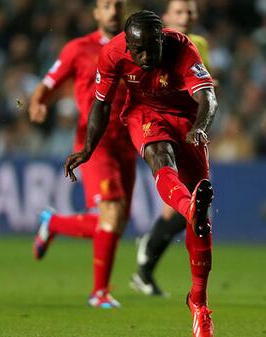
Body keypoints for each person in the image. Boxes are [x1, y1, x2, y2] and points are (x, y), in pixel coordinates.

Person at [64, 10, 217, 337]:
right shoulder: (112, 53)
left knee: (201, 222)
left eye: (152, 48)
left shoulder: (183, 47)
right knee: (158, 156)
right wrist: (88, 149)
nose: (146, 56)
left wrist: (200, 129)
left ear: (162, 38)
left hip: (187, 119)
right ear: (128, 47)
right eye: (139, 50)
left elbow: (208, 98)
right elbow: (101, 104)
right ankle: (188, 205)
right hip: (143, 113)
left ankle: (199, 303)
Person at [29, 0, 136, 308]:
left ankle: (53, 223)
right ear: (96, 13)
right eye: (106, 5)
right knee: (111, 215)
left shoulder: (135, 45)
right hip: (94, 142)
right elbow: (49, 83)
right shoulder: (78, 48)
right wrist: (38, 102)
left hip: (127, 141)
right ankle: (99, 292)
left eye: (117, 5)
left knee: (116, 222)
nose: (113, 10)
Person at [131, 0, 210, 297]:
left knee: (184, 212)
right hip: (156, 125)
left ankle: (146, 258)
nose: (186, 17)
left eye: (190, 11)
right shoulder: (148, 46)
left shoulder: (199, 44)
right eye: (179, 12)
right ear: (166, 18)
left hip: (188, 129)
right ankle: (146, 264)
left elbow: (204, 85)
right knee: (188, 209)